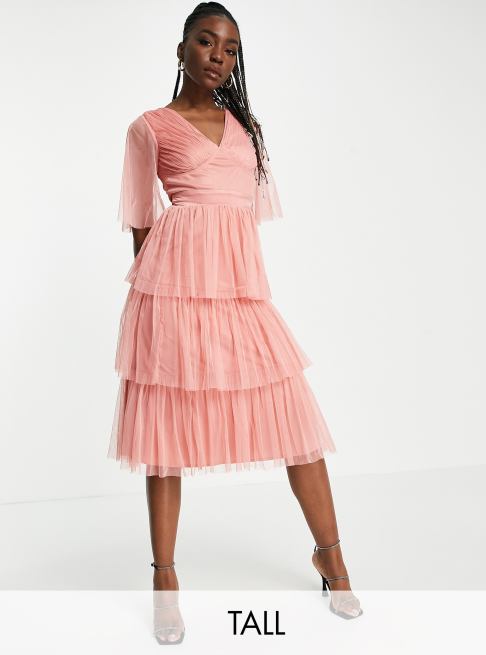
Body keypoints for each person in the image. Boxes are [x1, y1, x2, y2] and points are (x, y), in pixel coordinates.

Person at [109, 1, 363, 644]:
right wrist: (154, 308)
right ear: (181, 49)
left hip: (239, 294)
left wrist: (235, 289)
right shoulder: (148, 128)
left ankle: (331, 557)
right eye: (206, 42)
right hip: (170, 293)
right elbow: (142, 224)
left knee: (294, 418)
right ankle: (165, 578)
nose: (217, 56)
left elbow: (242, 221)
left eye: (229, 49)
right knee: (163, 435)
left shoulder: (247, 127)